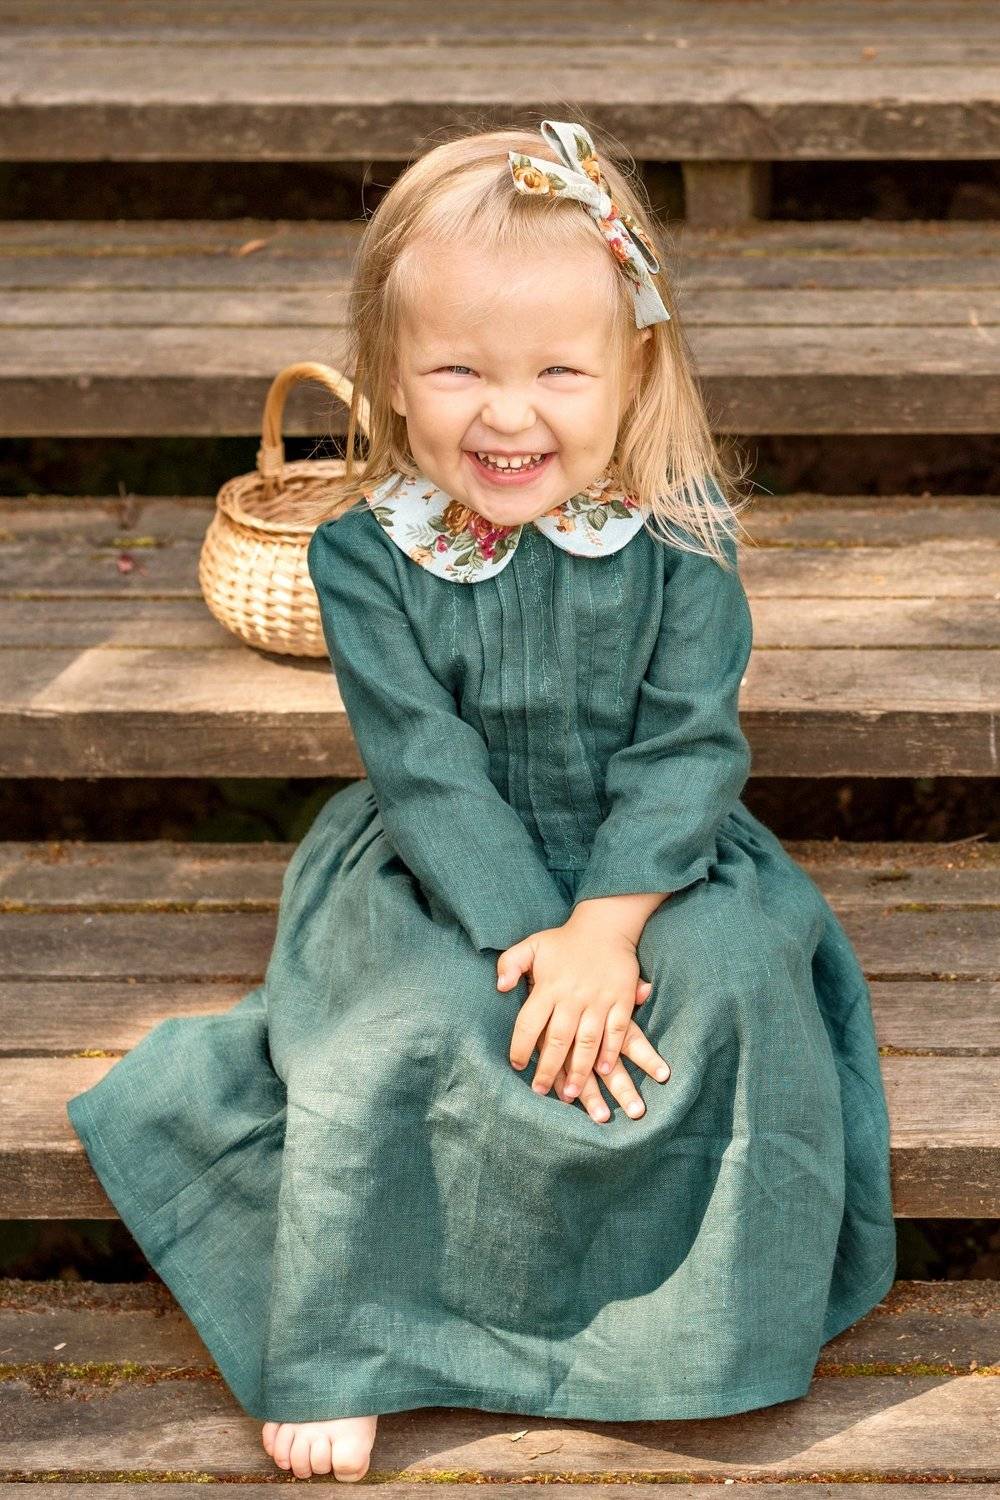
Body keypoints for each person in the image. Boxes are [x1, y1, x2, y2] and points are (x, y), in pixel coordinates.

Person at [66, 116, 897, 1483]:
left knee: (738, 985)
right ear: (392, 379)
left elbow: (687, 749)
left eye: (560, 370)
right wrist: (531, 934)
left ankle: (705, 1328)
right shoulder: (364, 557)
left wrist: (605, 931)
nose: (509, 416)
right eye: (457, 370)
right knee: (406, 1033)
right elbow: (422, 765)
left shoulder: (683, 539)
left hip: (659, 857)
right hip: (440, 864)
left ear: (636, 369)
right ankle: (346, 1342)